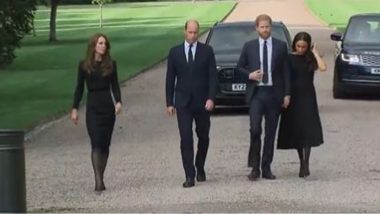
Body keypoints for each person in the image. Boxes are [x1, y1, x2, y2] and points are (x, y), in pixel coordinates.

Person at [237, 14, 291, 181]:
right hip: (257, 94)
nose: (265, 29)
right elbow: (239, 68)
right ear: (257, 28)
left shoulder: (281, 46)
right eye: (262, 27)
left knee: (270, 132)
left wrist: (287, 94)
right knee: (255, 129)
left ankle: (266, 167)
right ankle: (255, 167)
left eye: (267, 26)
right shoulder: (249, 46)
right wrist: (250, 75)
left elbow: (286, 72)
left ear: (271, 27)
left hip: (274, 94)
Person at [165, 19, 218, 188]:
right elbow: (170, 79)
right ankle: (189, 175)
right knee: (186, 138)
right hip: (183, 102)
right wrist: (169, 102)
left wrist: (211, 98)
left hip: (203, 102)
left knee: (203, 137)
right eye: (190, 32)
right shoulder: (175, 52)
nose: (193, 35)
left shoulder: (207, 51)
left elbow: (213, 77)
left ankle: (200, 165)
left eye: (196, 32)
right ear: (184, 31)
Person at [71, 33, 122, 193]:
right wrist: (74, 108)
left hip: (107, 106)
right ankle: (98, 180)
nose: (103, 46)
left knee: (105, 145)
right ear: (93, 45)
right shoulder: (84, 65)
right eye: (100, 43)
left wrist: (118, 101)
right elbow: (79, 88)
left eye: (105, 44)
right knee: (96, 143)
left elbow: (115, 85)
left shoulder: (111, 64)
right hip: (93, 107)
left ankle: (101, 175)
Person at [277, 32, 327, 178]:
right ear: (294, 45)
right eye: (298, 46)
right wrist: (285, 95)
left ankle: (306, 162)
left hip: (308, 96)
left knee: (308, 128)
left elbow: (323, 68)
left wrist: (315, 53)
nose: (300, 49)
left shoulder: (310, 57)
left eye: (304, 47)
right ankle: (301, 161)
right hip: (294, 96)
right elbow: (284, 77)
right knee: (297, 129)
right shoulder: (288, 58)